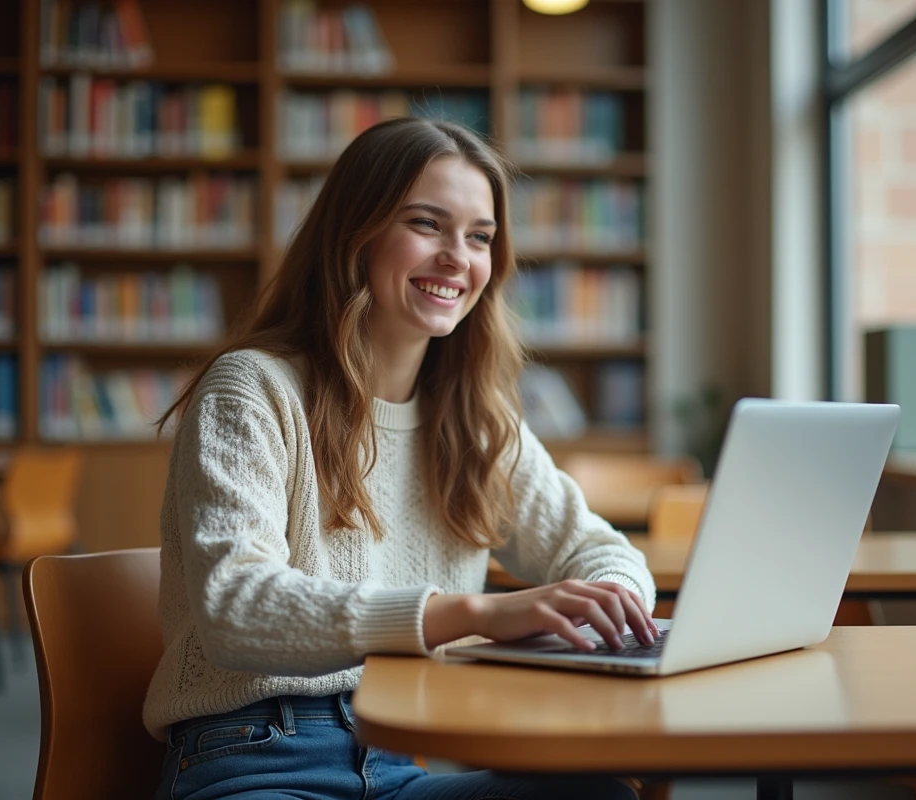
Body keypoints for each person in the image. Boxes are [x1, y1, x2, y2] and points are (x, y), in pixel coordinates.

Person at [144, 117, 658, 800]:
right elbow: (235, 608)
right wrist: (473, 614)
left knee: (600, 796)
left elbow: (600, 552)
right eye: (426, 224)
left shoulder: (476, 421)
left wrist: (613, 605)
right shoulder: (252, 389)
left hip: (397, 762)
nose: (457, 257)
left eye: (479, 236)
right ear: (354, 235)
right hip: (255, 756)